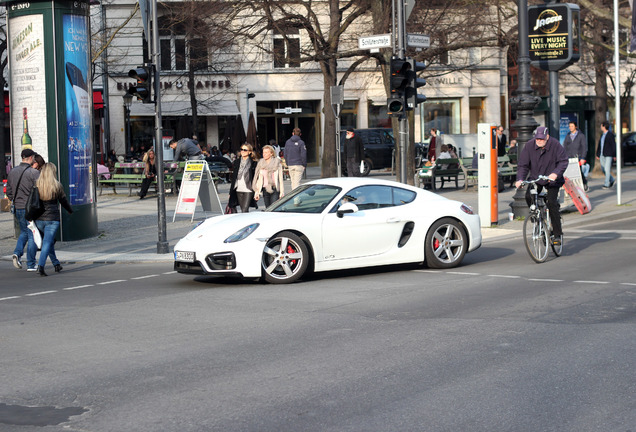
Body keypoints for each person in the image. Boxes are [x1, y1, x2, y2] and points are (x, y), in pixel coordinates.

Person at [515, 126, 568, 246]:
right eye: (537, 139)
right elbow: (523, 165)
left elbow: (563, 161)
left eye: (541, 139)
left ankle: (557, 234)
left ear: (547, 137)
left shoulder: (555, 145)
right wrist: (520, 179)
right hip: (537, 178)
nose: (539, 141)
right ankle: (536, 218)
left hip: (552, 179)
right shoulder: (529, 146)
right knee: (529, 196)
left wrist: (555, 173)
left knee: (551, 202)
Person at [34, 163, 73, 276]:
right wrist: (70, 210)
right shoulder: (57, 186)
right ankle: (41, 266)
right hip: (53, 219)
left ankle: (56, 264)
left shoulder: (37, 184)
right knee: (47, 242)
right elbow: (64, 201)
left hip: (39, 219)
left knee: (49, 242)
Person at [6, 149, 40, 271]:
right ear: (31, 158)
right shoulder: (33, 173)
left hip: (18, 207)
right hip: (30, 208)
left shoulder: (12, 172)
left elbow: (9, 191)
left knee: (24, 232)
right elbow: (40, 190)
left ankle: (17, 253)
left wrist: (14, 199)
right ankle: (31, 263)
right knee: (32, 234)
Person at [228, 143, 258, 213]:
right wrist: (230, 192)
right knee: (242, 210)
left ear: (250, 152)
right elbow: (234, 178)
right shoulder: (237, 162)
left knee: (244, 209)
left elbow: (255, 177)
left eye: (245, 150)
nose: (242, 151)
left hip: (248, 189)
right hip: (238, 188)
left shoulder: (253, 163)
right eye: (241, 149)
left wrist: (257, 190)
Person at [562, 121, 588, 189]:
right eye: (569, 126)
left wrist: (583, 157)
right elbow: (565, 146)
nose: (570, 128)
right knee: (571, 172)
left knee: (579, 172)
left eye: (572, 126)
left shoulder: (581, 135)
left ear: (575, 127)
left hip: (578, 156)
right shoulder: (568, 135)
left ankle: (584, 182)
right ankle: (573, 186)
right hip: (569, 156)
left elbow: (584, 147)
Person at [596, 121, 616, 189]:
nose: (601, 127)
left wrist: (614, 155)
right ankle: (612, 179)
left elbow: (613, 145)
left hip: (608, 155)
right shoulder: (602, 135)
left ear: (604, 126)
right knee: (603, 169)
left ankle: (606, 184)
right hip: (602, 154)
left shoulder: (610, 135)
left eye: (601, 126)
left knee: (607, 169)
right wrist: (598, 154)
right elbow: (600, 145)